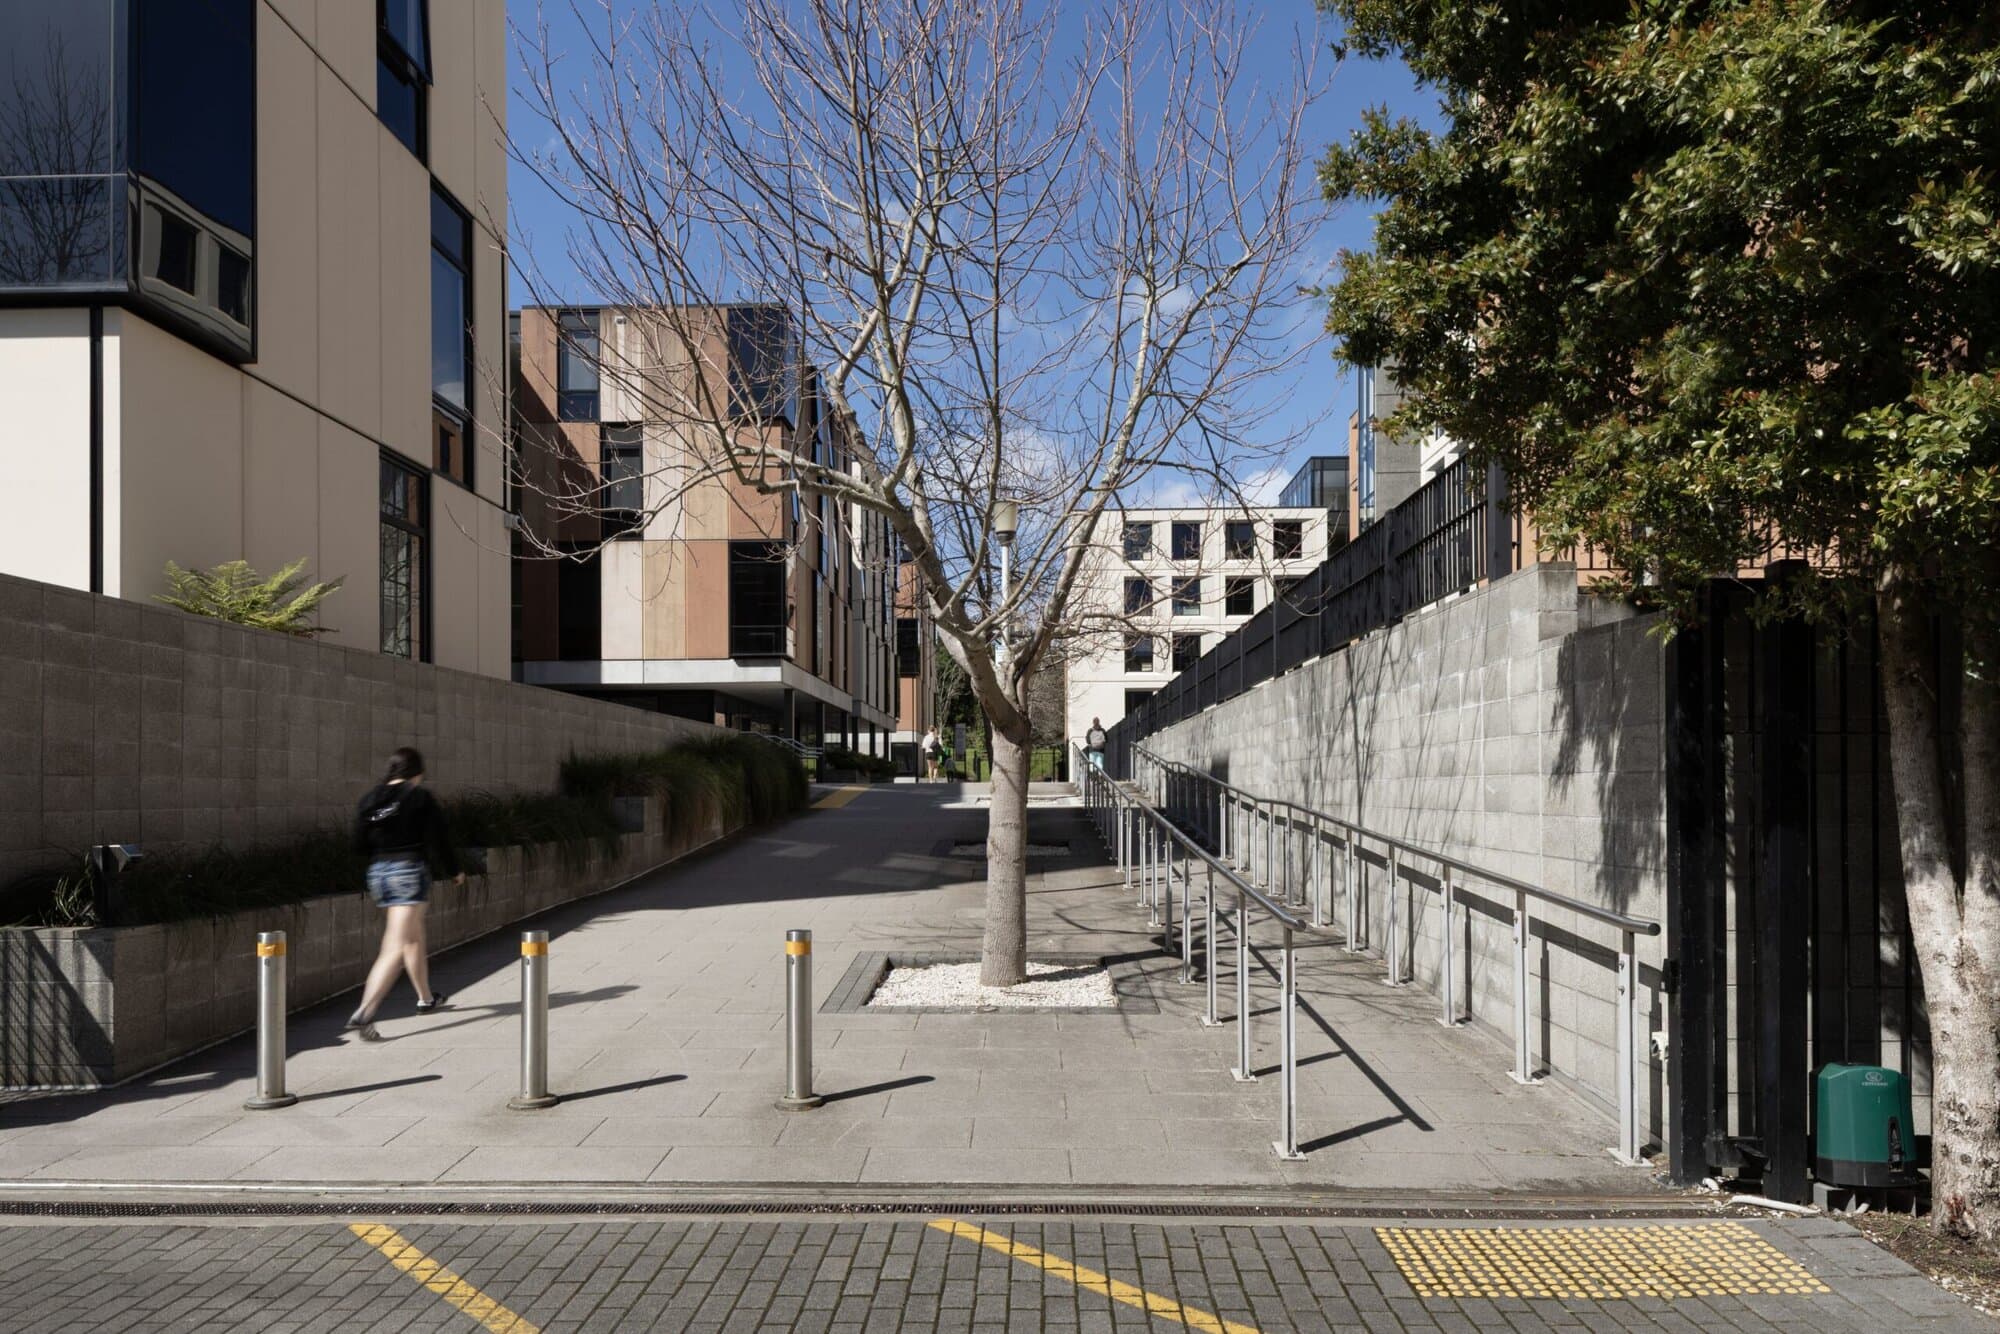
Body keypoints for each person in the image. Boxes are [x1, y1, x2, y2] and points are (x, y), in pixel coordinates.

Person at [347, 747, 461, 1040]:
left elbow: (359, 843)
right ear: (417, 772)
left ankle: (425, 998)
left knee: (412, 936)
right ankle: (364, 1013)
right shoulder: (418, 797)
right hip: (408, 872)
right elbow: (440, 838)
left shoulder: (371, 799)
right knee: (395, 946)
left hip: (379, 873)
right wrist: (454, 871)